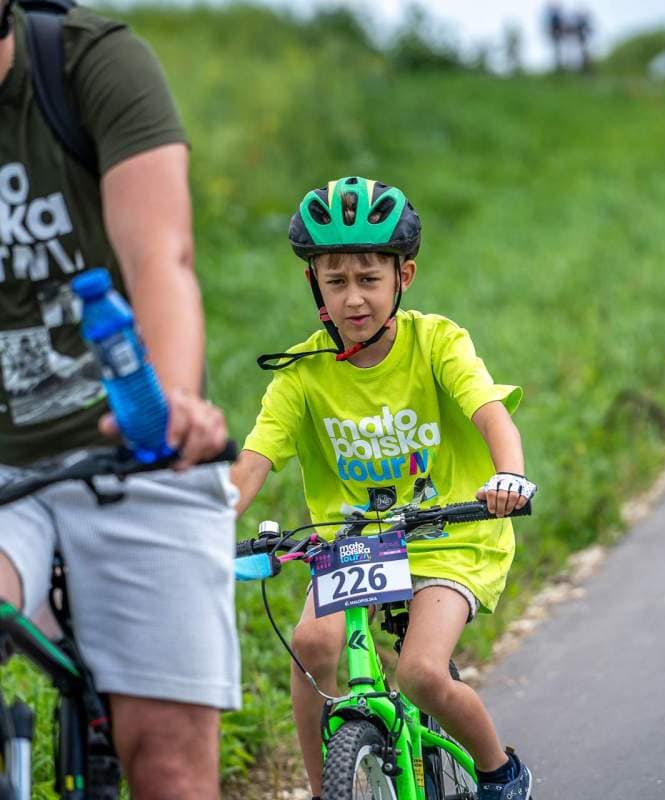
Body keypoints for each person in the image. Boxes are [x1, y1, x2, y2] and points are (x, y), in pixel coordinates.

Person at [232, 176, 538, 800]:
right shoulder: (302, 374)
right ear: (313, 282)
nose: (353, 300)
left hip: (452, 536)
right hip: (356, 546)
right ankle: (328, 789)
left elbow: (490, 415)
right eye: (335, 280)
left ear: (404, 277)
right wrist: (201, 528)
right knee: (312, 643)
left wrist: (507, 474)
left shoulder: (437, 343)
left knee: (422, 672)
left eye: (369, 279)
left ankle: (501, 773)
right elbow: (253, 462)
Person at [0, 1, 240, 798]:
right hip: (5, 466)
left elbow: (160, 258)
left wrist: (173, 401)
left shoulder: (90, 64)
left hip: (134, 444)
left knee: (168, 763)